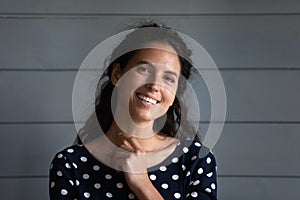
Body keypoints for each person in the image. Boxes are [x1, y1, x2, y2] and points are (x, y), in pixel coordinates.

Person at [49, 22, 217, 199]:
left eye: (168, 78)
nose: (154, 85)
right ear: (117, 75)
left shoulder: (196, 160)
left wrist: (142, 185)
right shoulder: (70, 164)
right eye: (144, 69)